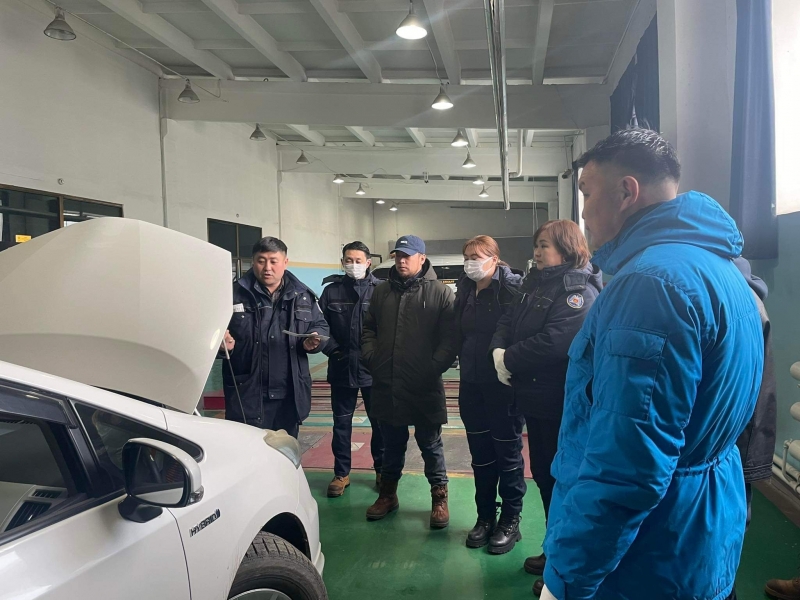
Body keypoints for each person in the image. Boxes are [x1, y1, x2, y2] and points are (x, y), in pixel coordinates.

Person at [538, 128, 763, 600]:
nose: (583, 212)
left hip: (646, 556)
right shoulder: (720, 268)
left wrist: (568, 578)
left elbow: (627, 465)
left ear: (626, 191)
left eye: (587, 193)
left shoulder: (651, 285)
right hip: (700, 528)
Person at [489, 221, 601, 577]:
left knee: (562, 479)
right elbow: (508, 320)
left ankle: (565, 563)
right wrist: (497, 350)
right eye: (536, 245)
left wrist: (508, 358)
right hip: (536, 399)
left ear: (566, 249)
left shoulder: (577, 290)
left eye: (544, 246)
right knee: (544, 475)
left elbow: (556, 341)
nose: (537, 252)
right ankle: (555, 551)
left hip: (560, 402)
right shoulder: (534, 283)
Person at [361, 235, 458, 528]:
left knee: (430, 444)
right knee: (391, 444)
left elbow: (450, 338)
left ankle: (439, 498)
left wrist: (433, 367)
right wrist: (373, 357)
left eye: (407, 255)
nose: (401, 261)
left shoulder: (440, 293)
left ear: (422, 258)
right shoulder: (381, 292)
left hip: (424, 383)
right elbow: (369, 329)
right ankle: (388, 495)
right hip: (388, 381)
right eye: (398, 255)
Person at [455, 235, 526, 553]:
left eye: (477, 257)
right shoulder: (465, 289)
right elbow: (458, 332)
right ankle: (485, 517)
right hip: (471, 384)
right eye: (467, 257)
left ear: (495, 259)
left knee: (507, 454)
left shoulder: (512, 290)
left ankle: (510, 520)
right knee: (481, 456)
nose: (471, 262)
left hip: (502, 385)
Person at [220, 236, 329, 439]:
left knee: (285, 450)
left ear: (285, 262)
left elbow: (320, 326)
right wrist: (223, 345)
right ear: (253, 262)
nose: (267, 268)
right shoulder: (232, 295)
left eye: (273, 261)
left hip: (289, 394)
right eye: (261, 261)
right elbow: (213, 333)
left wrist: (314, 341)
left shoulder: (302, 295)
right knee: (248, 450)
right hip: (248, 392)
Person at [319, 241, 384, 497]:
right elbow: (320, 326)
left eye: (358, 260)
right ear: (342, 262)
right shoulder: (331, 291)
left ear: (368, 263)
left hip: (372, 370)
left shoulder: (381, 291)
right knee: (341, 424)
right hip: (341, 367)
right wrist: (333, 351)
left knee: (380, 424)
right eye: (348, 260)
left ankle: (382, 470)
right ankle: (341, 473)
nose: (353, 265)